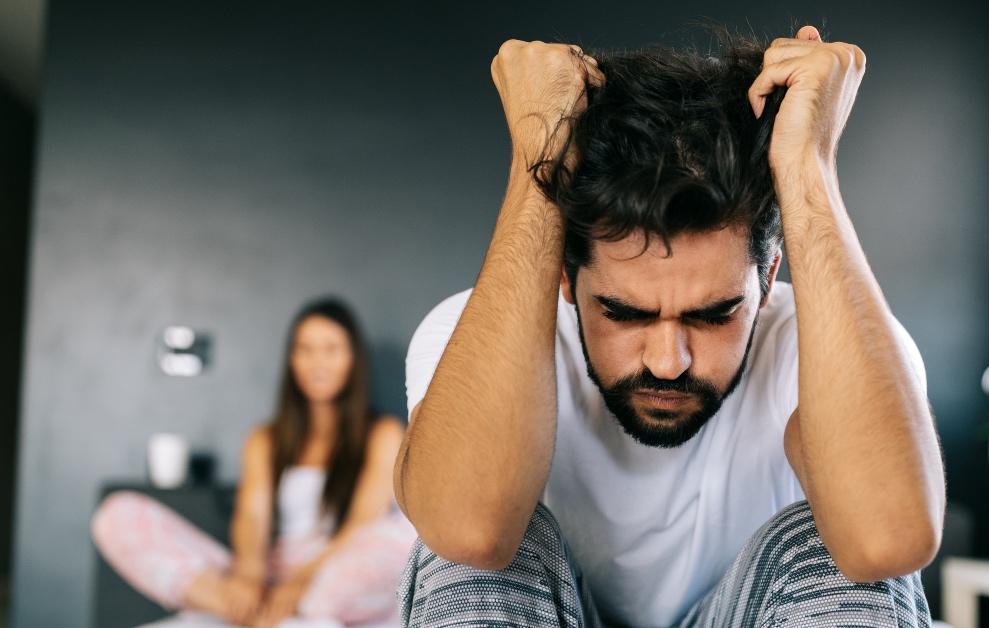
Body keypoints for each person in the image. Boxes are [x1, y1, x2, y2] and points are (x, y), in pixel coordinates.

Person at [394, 22, 946, 628]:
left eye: (713, 315)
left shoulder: (824, 343)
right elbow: (467, 533)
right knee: (471, 554)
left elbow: (885, 543)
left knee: (836, 555)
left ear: (766, 281)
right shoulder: (470, 328)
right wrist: (538, 157)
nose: (667, 361)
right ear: (563, 276)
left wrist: (809, 170)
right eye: (624, 313)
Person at [92, 298, 417, 627]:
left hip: (335, 573)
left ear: (352, 359)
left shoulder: (382, 433)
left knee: (400, 536)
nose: (317, 362)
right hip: (271, 573)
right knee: (116, 514)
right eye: (305, 349)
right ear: (291, 359)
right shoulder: (265, 439)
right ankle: (244, 610)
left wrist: (302, 581)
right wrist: (249, 577)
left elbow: (361, 523)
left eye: (331, 349)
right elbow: (252, 516)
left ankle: (295, 611)